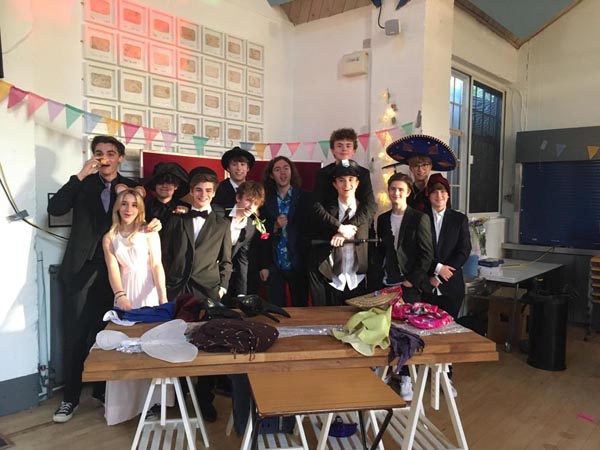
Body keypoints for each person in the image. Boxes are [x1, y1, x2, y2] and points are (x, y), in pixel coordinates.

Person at [48, 136, 139, 423]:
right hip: (79, 271)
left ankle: (103, 392)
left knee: (107, 334)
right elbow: (56, 209)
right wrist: (79, 175)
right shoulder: (83, 182)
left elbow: (147, 211)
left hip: (113, 273)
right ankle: (70, 398)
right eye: (99, 153)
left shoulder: (130, 187)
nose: (104, 158)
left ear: (120, 157)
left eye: (111, 153)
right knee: (75, 335)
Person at [162, 168, 232, 422]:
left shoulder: (223, 223)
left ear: (214, 194)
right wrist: (167, 285)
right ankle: (178, 396)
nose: (203, 195)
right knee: (177, 341)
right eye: (198, 190)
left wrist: (222, 285)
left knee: (209, 344)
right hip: (178, 288)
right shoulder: (177, 218)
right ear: (191, 192)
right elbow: (165, 255)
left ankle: (204, 399)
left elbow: (227, 260)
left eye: (208, 191)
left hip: (209, 289)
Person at [102, 185, 171, 425]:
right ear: (117, 207)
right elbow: (112, 269)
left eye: (133, 204)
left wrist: (163, 298)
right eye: (124, 203)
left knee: (151, 345)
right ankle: (126, 406)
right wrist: (120, 295)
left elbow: (157, 266)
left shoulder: (150, 232)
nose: (128, 208)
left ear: (140, 208)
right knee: (125, 347)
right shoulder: (109, 237)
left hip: (149, 291)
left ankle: (151, 403)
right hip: (126, 290)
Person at [376, 172, 434, 402]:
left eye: (400, 189)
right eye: (392, 189)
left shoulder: (419, 218)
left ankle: (408, 376)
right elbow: (380, 251)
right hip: (387, 282)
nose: (396, 193)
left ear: (408, 192)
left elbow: (427, 254)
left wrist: (413, 279)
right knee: (386, 329)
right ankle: (388, 371)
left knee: (408, 332)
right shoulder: (382, 219)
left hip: (409, 284)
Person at [309, 128, 377, 305]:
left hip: (355, 234)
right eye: (339, 145)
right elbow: (316, 206)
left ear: (354, 149)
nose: (344, 149)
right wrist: (338, 227)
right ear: (332, 150)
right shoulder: (323, 174)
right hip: (330, 235)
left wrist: (348, 229)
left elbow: (370, 206)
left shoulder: (362, 173)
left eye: (348, 145)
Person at [259, 156, 310, 307]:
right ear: (271, 175)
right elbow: (260, 235)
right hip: (274, 263)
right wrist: (274, 227)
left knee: (301, 306)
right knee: (275, 306)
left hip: (299, 262)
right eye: (277, 169)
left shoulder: (305, 197)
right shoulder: (264, 200)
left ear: (291, 172)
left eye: (286, 168)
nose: (282, 172)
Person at [424, 173, 471, 319]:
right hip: (425, 285)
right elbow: (417, 251)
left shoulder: (459, 219)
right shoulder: (420, 217)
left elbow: (463, 251)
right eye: (434, 191)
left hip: (451, 288)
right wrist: (437, 268)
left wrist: (440, 277)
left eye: (443, 191)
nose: (439, 195)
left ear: (448, 195)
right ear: (429, 195)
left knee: (448, 332)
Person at [385, 134, 458, 212]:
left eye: (424, 165)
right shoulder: (406, 192)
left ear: (430, 167)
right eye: (416, 165)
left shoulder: (438, 191)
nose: (420, 169)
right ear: (411, 168)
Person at [212, 146, 255, 212]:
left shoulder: (254, 189)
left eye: (242, 164)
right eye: (234, 164)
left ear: (248, 168)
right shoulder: (219, 188)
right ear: (228, 168)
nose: (239, 168)